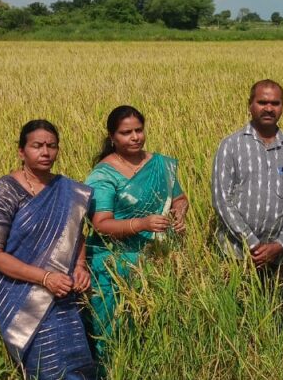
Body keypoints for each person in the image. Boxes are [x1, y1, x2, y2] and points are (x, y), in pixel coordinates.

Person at [0, 120, 96, 379]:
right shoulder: (5, 192)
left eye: (51, 146)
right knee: (47, 367)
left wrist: (79, 266)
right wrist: (45, 278)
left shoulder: (67, 189)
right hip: (24, 297)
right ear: (21, 151)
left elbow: (77, 234)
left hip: (64, 293)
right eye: (37, 146)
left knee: (77, 363)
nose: (45, 152)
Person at [84, 105, 188, 369]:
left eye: (138, 130)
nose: (135, 137)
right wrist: (142, 223)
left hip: (157, 259)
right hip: (114, 263)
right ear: (112, 137)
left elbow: (179, 198)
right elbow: (101, 223)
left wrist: (179, 214)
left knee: (156, 326)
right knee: (114, 332)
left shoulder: (160, 165)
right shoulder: (103, 174)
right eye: (126, 132)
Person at [212, 79, 283, 269]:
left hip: (280, 258)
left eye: (275, 103)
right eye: (262, 103)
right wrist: (253, 244)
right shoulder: (231, 146)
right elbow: (222, 201)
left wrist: (280, 244)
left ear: (282, 106)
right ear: (250, 105)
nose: (269, 108)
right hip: (236, 255)